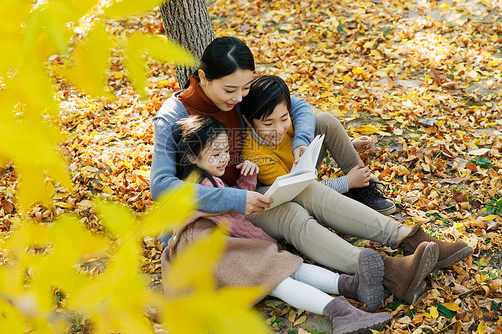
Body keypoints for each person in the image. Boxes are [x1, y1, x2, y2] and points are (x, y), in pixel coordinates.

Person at [150, 37, 472, 305]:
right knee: (291, 215)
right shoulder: (173, 115)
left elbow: (300, 106)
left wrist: (300, 141)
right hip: (213, 213)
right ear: (203, 78)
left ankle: (408, 239)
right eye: (230, 90)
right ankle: (391, 272)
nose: (238, 98)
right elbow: (161, 186)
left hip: (254, 189)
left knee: (309, 189)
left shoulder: (239, 97)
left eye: (245, 88)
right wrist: (233, 200)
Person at [239, 74, 473, 303]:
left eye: (284, 119)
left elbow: (301, 111)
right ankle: (390, 271)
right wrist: (345, 183)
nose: (278, 128)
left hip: (299, 173)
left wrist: (344, 144)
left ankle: (408, 237)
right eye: (268, 123)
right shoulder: (254, 152)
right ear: (249, 121)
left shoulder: (281, 117)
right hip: (271, 197)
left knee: (324, 120)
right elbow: (298, 187)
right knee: (299, 205)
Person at [160, 115, 393, 333]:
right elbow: (233, 219)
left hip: (220, 242)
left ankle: (350, 285)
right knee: (273, 275)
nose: (223, 158)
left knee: (282, 263)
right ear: (192, 157)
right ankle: (341, 314)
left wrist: (247, 179)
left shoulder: (211, 178)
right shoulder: (193, 186)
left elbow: (233, 206)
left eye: (225, 151)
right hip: (206, 251)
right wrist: (261, 237)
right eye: (215, 154)